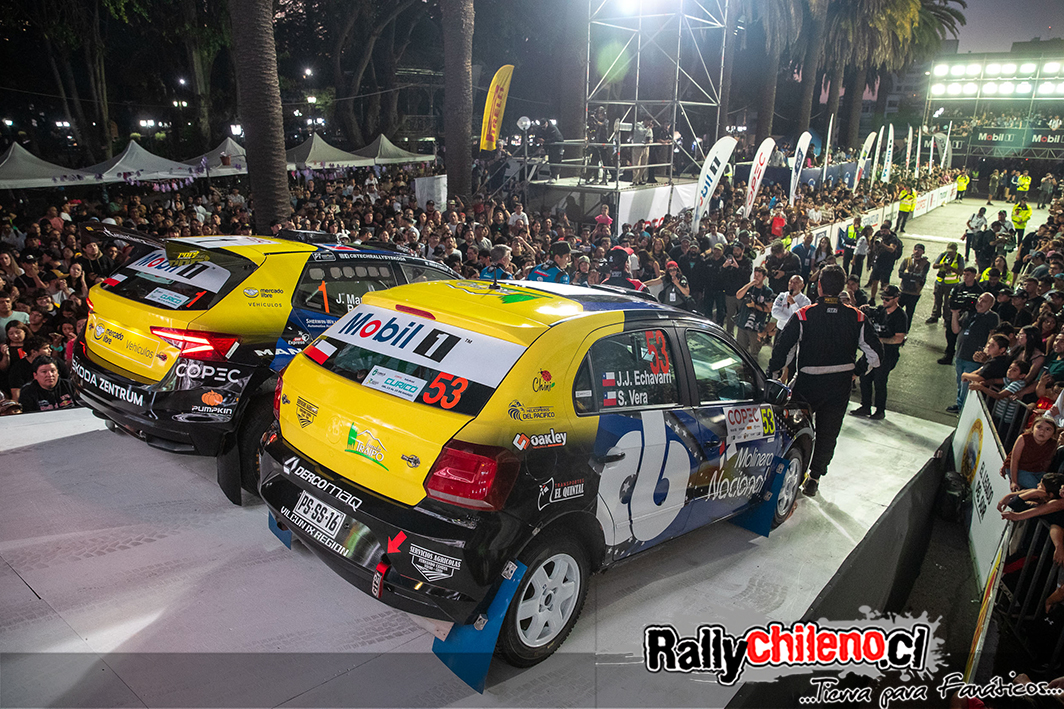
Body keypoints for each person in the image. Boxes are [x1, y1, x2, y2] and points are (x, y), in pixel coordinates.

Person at [769, 265, 884, 497]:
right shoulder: (857, 317)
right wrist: (856, 371)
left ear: (819, 286)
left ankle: (791, 474)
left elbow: (783, 350)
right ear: (842, 288)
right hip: (839, 385)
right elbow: (876, 355)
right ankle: (814, 478)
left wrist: (773, 377)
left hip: (807, 384)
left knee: (794, 429)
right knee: (828, 433)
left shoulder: (804, 315)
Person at [851, 285, 908, 420]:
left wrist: (881, 340)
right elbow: (869, 313)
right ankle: (865, 406)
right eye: (883, 298)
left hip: (888, 354)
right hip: (874, 351)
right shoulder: (881, 310)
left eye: (887, 299)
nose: (884, 301)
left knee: (879, 380)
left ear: (896, 299)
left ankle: (880, 410)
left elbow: (899, 338)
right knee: (864, 377)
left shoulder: (900, 316)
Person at [949, 292, 1000, 413]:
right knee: (960, 381)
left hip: (974, 358)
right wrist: (955, 314)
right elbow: (956, 330)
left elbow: (992, 334)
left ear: (991, 305)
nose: (980, 303)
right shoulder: (969, 313)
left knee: (966, 384)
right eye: (979, 299)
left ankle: (963, 407)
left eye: (984, 301)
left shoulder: (992, 317)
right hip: (961, 353)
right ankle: (959, 403)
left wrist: (986, 353)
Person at [1000, 416, 1057, 492]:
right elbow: (1014, 460)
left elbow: (1047, 461)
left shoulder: (1053, 444)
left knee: (1050, 487)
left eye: (1048, 429)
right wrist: (1014, 482)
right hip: (1018, 469)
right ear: (1032, 428)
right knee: (1036, 488)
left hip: (1036, 470)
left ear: (1053, 433)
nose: (1042, 431)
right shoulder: (1024, 438)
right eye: (1039, 427)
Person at [734, 266, 773, 355]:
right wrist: (749, 285)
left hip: (757, 326)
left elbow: (769, 309)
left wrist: (754, 306)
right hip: (743, 322)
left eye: (759, 276)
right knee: (740, 349)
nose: (756, 278)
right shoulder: (749, 287)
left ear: (764, 277)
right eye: (755, 275)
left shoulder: (768, 292)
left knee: (753, 352)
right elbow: (738, 296)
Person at [927, 243, 964, 324]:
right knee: (937, 301)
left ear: (955, 251)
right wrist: (942, 265)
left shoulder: (959, 258)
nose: (949, 253)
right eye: (948, 251)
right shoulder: (943, 255)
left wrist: (951, 268)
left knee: (948, 302)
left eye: (951, 252)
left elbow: (961, 272)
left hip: (951, 284)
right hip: (940, 283)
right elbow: (934, 266)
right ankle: (935, 316)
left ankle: (947, 318)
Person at [896, 243, 929, 331]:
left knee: (909, 313)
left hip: (914, 292)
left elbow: (921, 276)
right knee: (896, 310)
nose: (917, 252)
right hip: (903, 290)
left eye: (919, 250)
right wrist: (912, 276)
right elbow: (900, 273)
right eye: (915, 249)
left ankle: (905, 330)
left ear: (923, 252)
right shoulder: (907, 260)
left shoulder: (925, 263)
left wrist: (908, 274)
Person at [867, 220, 901, 301]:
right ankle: (872, 298)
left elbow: (892, 249)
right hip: (878, 261)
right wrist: (874, 244)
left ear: (889, 230)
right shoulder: (878, 235)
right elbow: (873, 248)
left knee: (886, 282)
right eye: (882, 231)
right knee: (875, 280)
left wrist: (883, 245)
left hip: (888, 262)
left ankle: (886, 298)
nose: (883, 233)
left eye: (885, 231)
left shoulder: (893, 238)